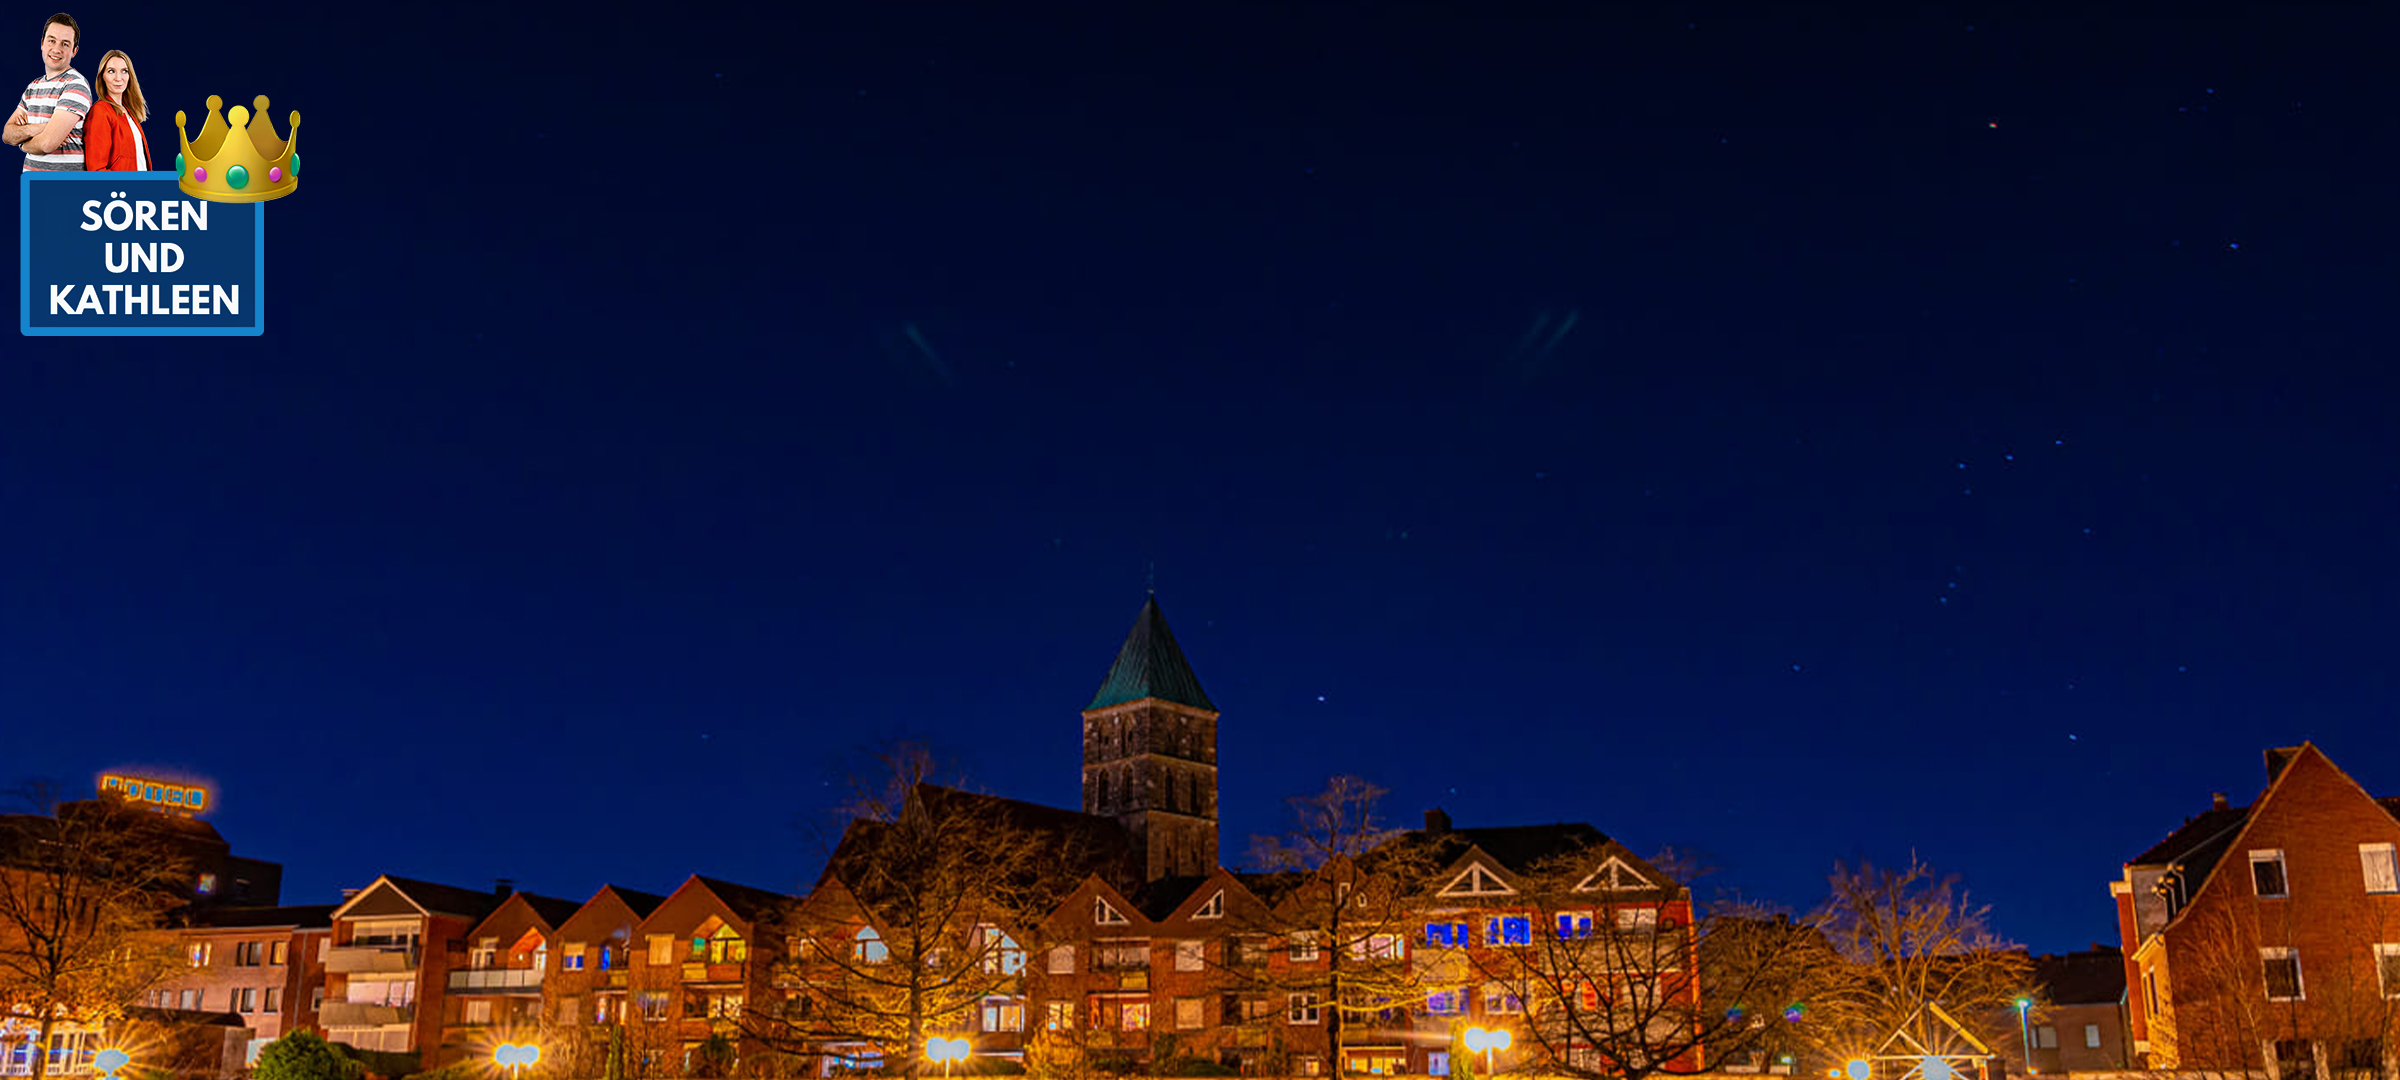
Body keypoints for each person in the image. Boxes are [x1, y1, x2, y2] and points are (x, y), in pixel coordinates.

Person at [2, 13, 91, 171]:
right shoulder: (33, 87)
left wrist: (22, 143)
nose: (56, 49)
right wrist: (38, 128)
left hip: (63, 184)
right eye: (52, 40)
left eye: (65, 44)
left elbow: (47, 144)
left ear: (74, 51)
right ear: (42, 43)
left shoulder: (76, 84)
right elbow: (7, 134)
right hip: (32, 183)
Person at [81, 48, 146, 170]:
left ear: (129, 76)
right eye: (111, 71)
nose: (118, 78)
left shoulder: (128, 112)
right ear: (102, 76)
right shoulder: (100, 112)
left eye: (124, 71)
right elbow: (97, 169)